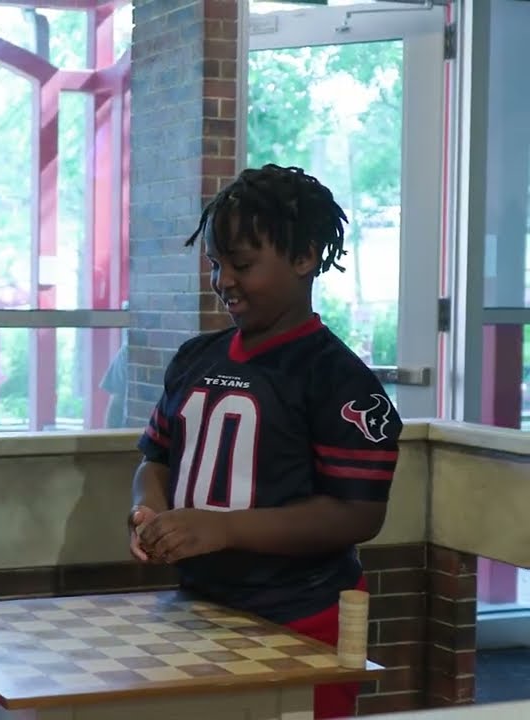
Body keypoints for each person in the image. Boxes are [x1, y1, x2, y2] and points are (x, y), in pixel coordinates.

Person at [128, 165, 402, 720]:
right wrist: (150, 509)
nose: (223, 280)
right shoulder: (195, 358)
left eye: (242, 265)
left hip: (302, 621)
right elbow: (154, 458)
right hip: (198, 613)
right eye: (215, 264)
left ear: (304, 258)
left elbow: (357, 514)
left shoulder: (337, 379)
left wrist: (224, 527)